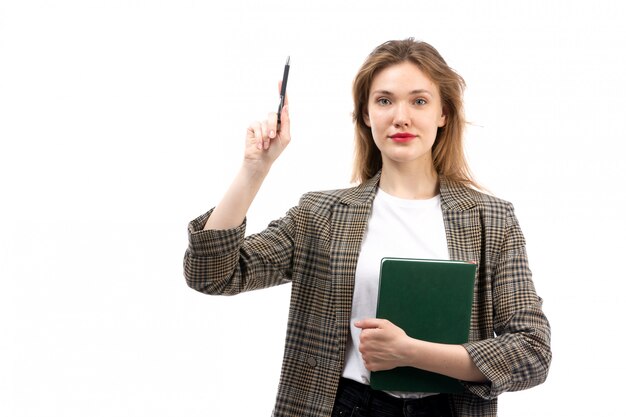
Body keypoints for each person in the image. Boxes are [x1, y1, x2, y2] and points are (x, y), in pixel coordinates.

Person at [183, 38, 551, 417]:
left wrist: (411, 353)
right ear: (365, 114)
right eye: (385, 100)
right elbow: (211, 274)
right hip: (343, 406)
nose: (401, 117)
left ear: (444, 113)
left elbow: (533, 351)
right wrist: (254, 169)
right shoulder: (322, 214)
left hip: (449, 408)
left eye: (419, 101)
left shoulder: (491, 218)